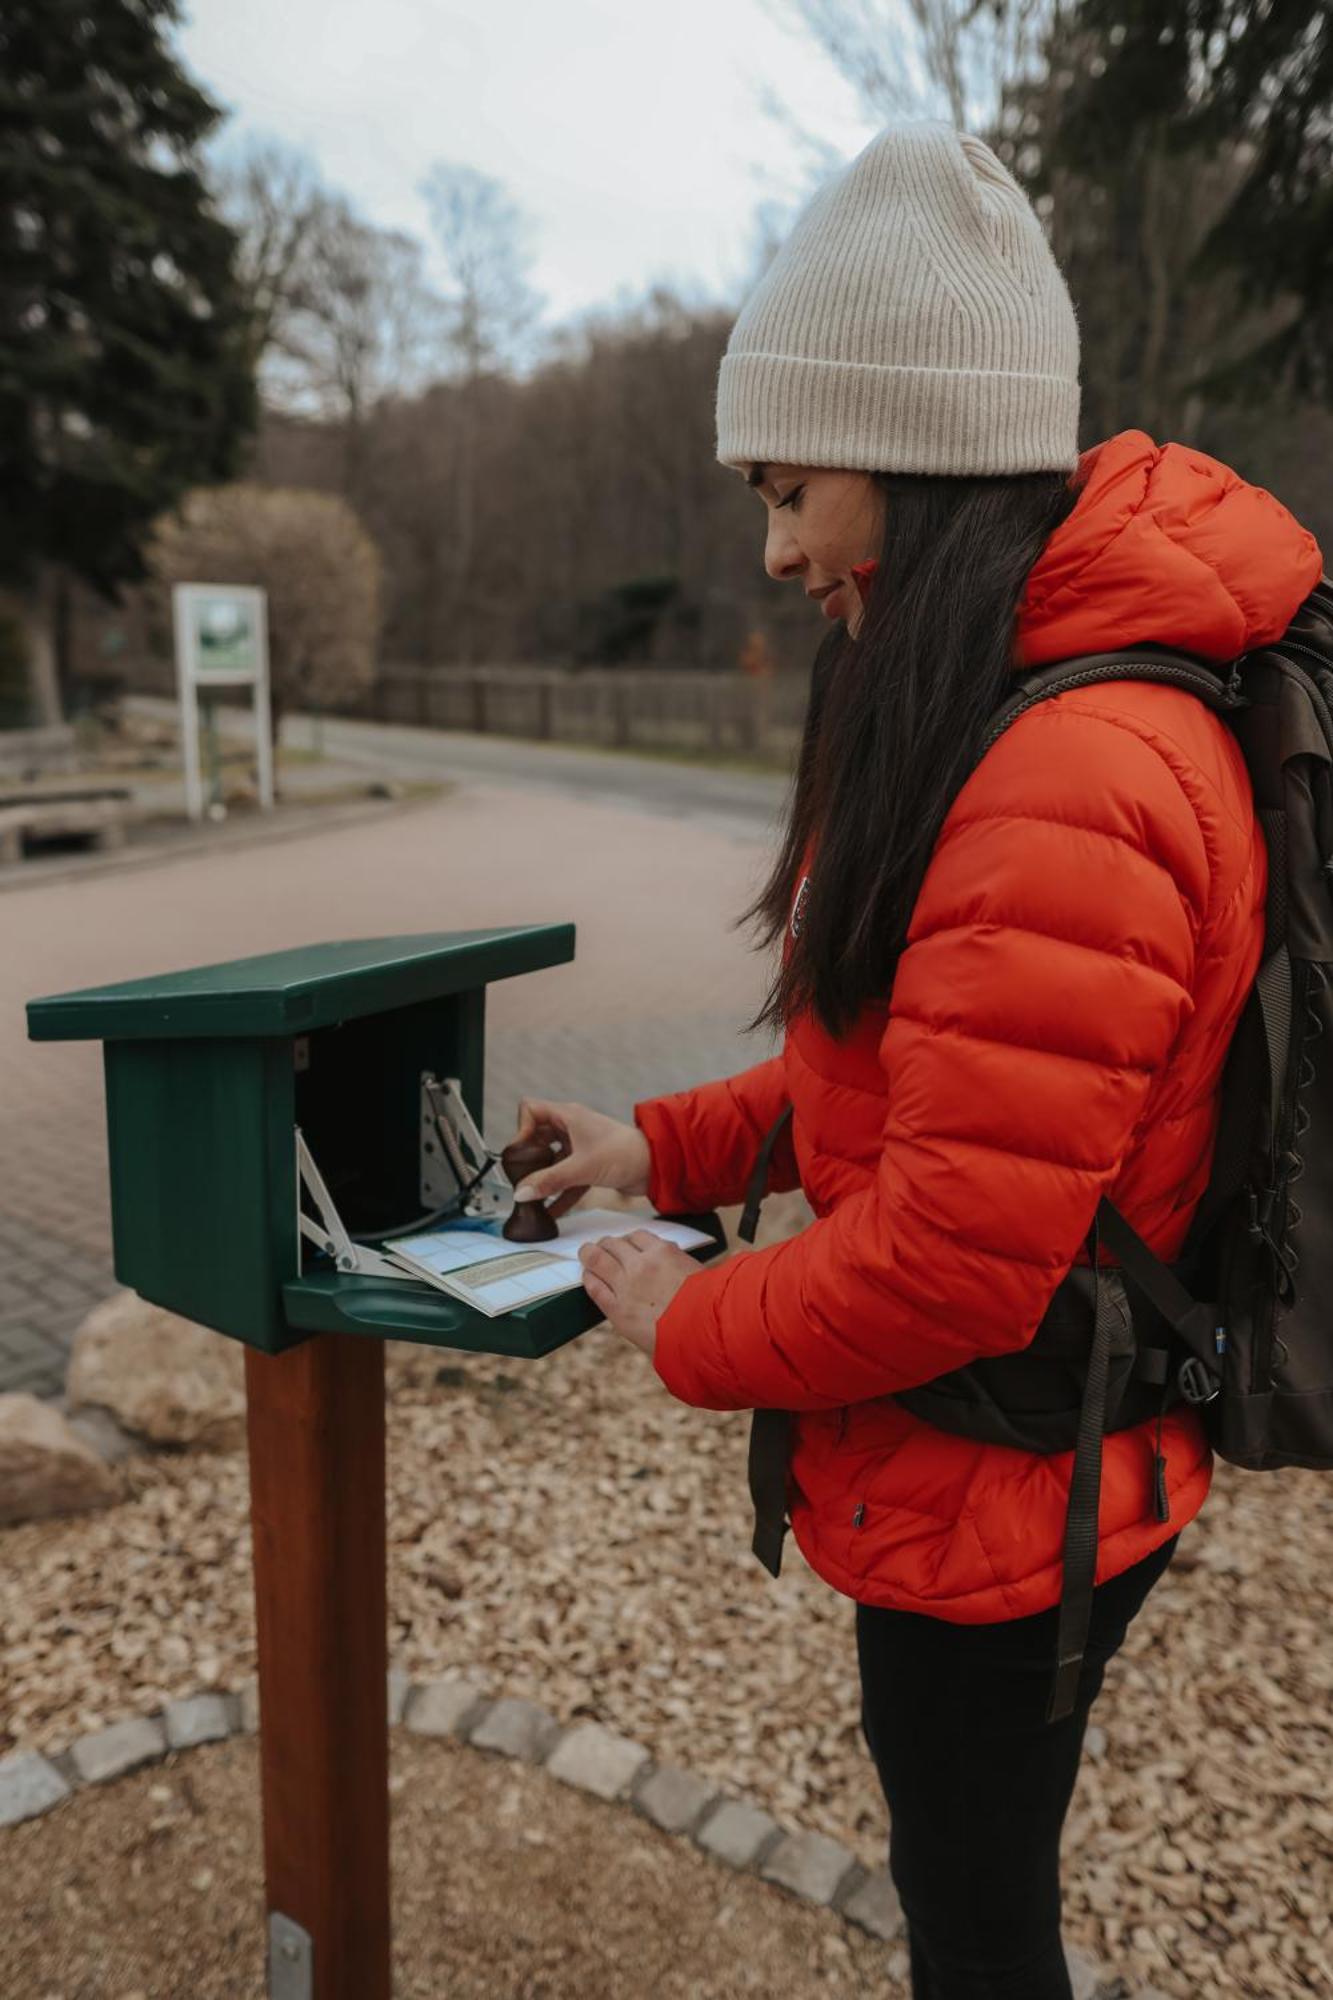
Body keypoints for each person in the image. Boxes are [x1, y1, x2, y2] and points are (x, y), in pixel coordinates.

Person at [502, 122, 1324, 1999]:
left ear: (928, 460)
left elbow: (956, 1254)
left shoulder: (1068, 776)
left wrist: (673, 1317)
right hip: (1007, 1464)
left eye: (794, 488)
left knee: (974, 1926)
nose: (776, 550)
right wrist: (661, 1150)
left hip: (1012, 1485)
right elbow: (908, 1075)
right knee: (964, 1883)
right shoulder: (1007, 704)